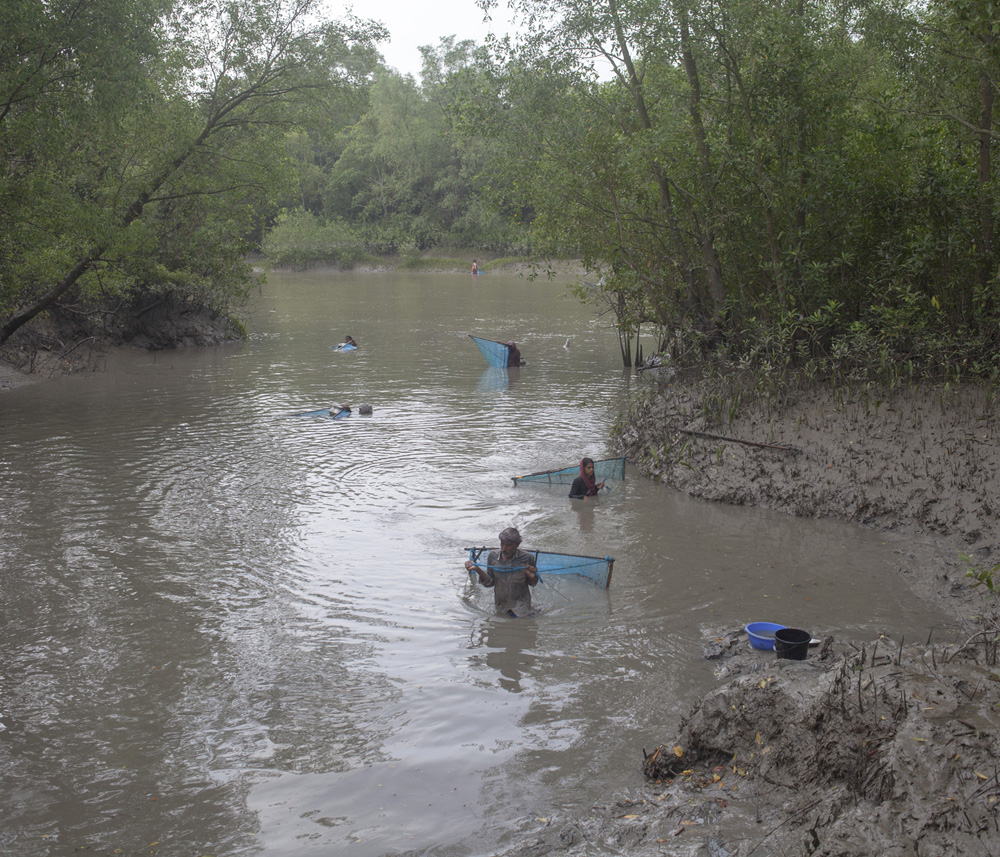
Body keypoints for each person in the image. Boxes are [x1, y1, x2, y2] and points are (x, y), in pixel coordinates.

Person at [465, 527, 539, 617]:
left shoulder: (527, 558)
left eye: (508, 545)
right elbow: (490, 582)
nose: (504, 548)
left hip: (521, 608)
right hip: (501, 607)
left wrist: (531, 577)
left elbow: (533, 583)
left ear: (517, 545)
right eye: (502, 544)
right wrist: (478, 569)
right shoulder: (493, 556)